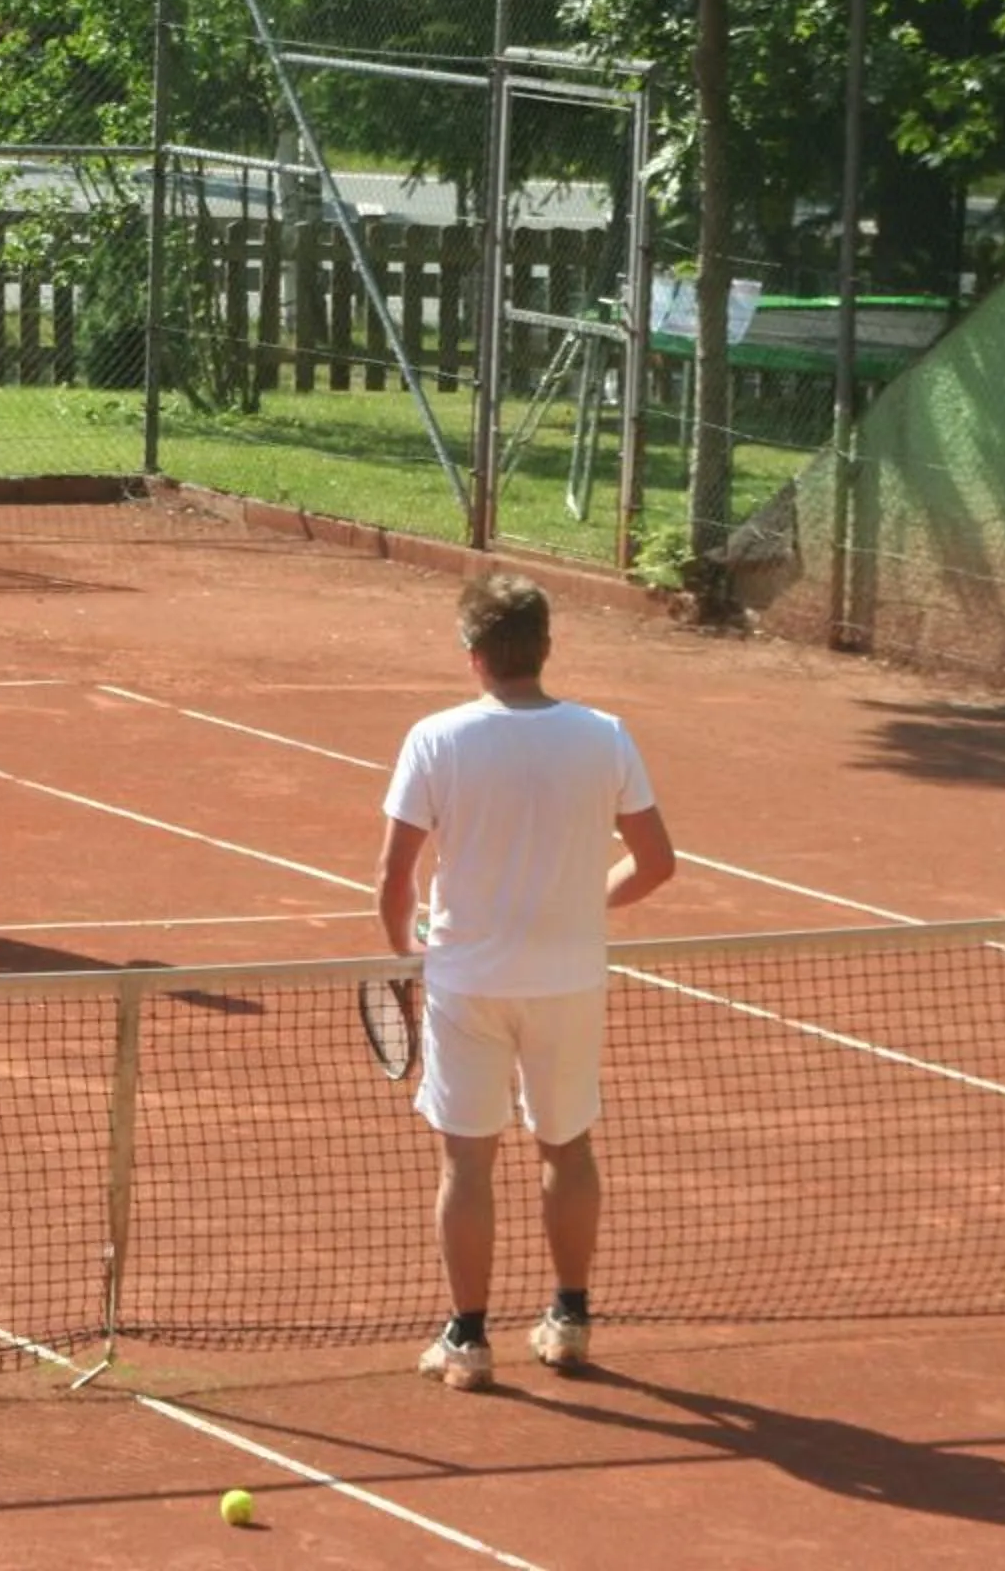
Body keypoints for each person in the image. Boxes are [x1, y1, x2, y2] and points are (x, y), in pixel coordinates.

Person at [375, 572, 676, 1392]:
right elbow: (656, 865)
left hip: (465, 982)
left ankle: (468, 1341)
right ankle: (570, 1319)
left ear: (474, 657)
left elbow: (395, 879)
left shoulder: (435, 739)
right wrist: (585, 907)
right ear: (545, 649)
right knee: (567, 1147)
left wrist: (406, 958)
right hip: (569, 981)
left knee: (466, 1167)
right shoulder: (604, 735)